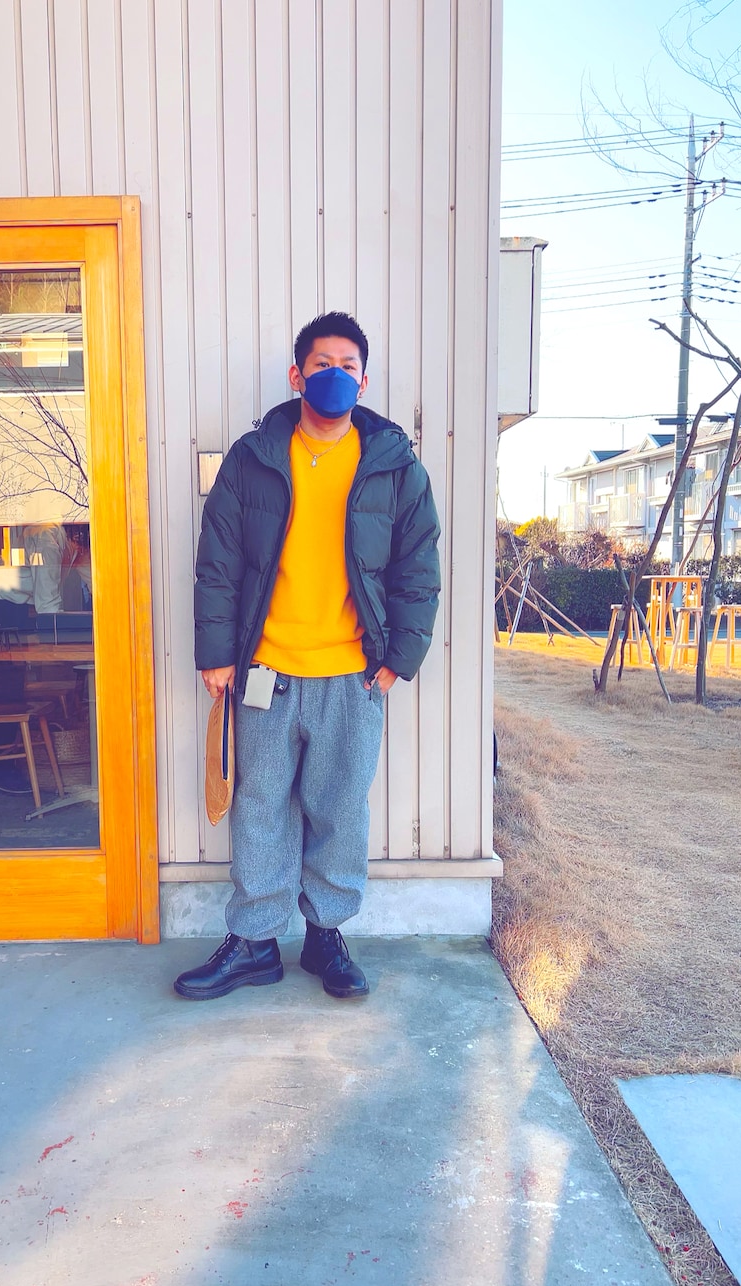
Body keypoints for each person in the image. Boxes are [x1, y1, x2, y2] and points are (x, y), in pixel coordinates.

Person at [174, 312, 440, 1002]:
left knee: (339, 809)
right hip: (265, 670)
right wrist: (216, 654)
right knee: (259, 806)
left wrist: (399, 660)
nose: (335, 376)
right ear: (297, 375)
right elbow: (218, 561)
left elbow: (418, 567)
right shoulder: (254, 458)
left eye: (348, 366)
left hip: (353, 676)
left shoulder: (394, 465)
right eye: (322, 364)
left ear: (364, 381)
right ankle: (255, 944)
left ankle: (326, 936)